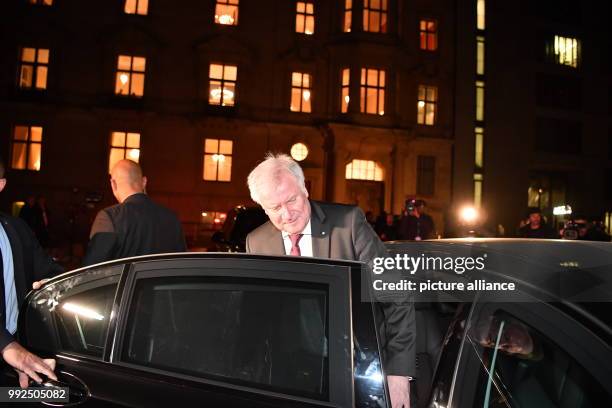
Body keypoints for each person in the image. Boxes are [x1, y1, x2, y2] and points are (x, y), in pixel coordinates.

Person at [245, 153, 415, 408]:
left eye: (291, 200)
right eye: (274, 208)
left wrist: (398, 374)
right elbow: (256, 318)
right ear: (263, 208)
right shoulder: (256, 242)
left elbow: (396, 294)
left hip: (358, 366)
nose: (287, 214)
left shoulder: (348, 224)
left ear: (305, 189)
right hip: (292, 375)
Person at [0, 156, 62, 387]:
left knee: (47, 396)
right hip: (10, 349)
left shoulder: (17, 228)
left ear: (1, 185)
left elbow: (48, 269)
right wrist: (6, 345)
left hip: (18, 358)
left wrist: (52, 282)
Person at [83, 159, 186, 265]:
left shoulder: (109, 217)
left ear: (113, 184)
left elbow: (91, 270)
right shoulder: (171, 218)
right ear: (144, 182)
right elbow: (181, 264)